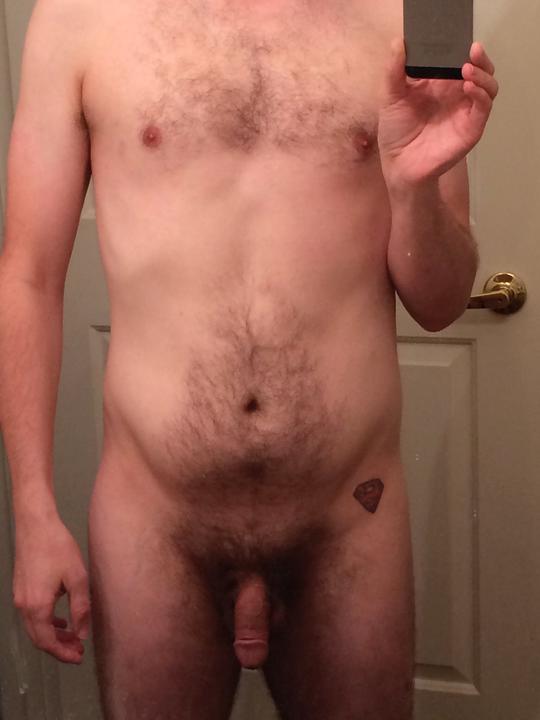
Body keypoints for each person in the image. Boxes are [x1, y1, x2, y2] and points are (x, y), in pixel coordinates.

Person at [0, 0, 498, 717]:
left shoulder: (402, 15)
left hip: (348, 520)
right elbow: (28, 276)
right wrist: (33, 512)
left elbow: (441, 302)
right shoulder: (79, 18)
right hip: (155, 524)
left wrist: (412, 184)